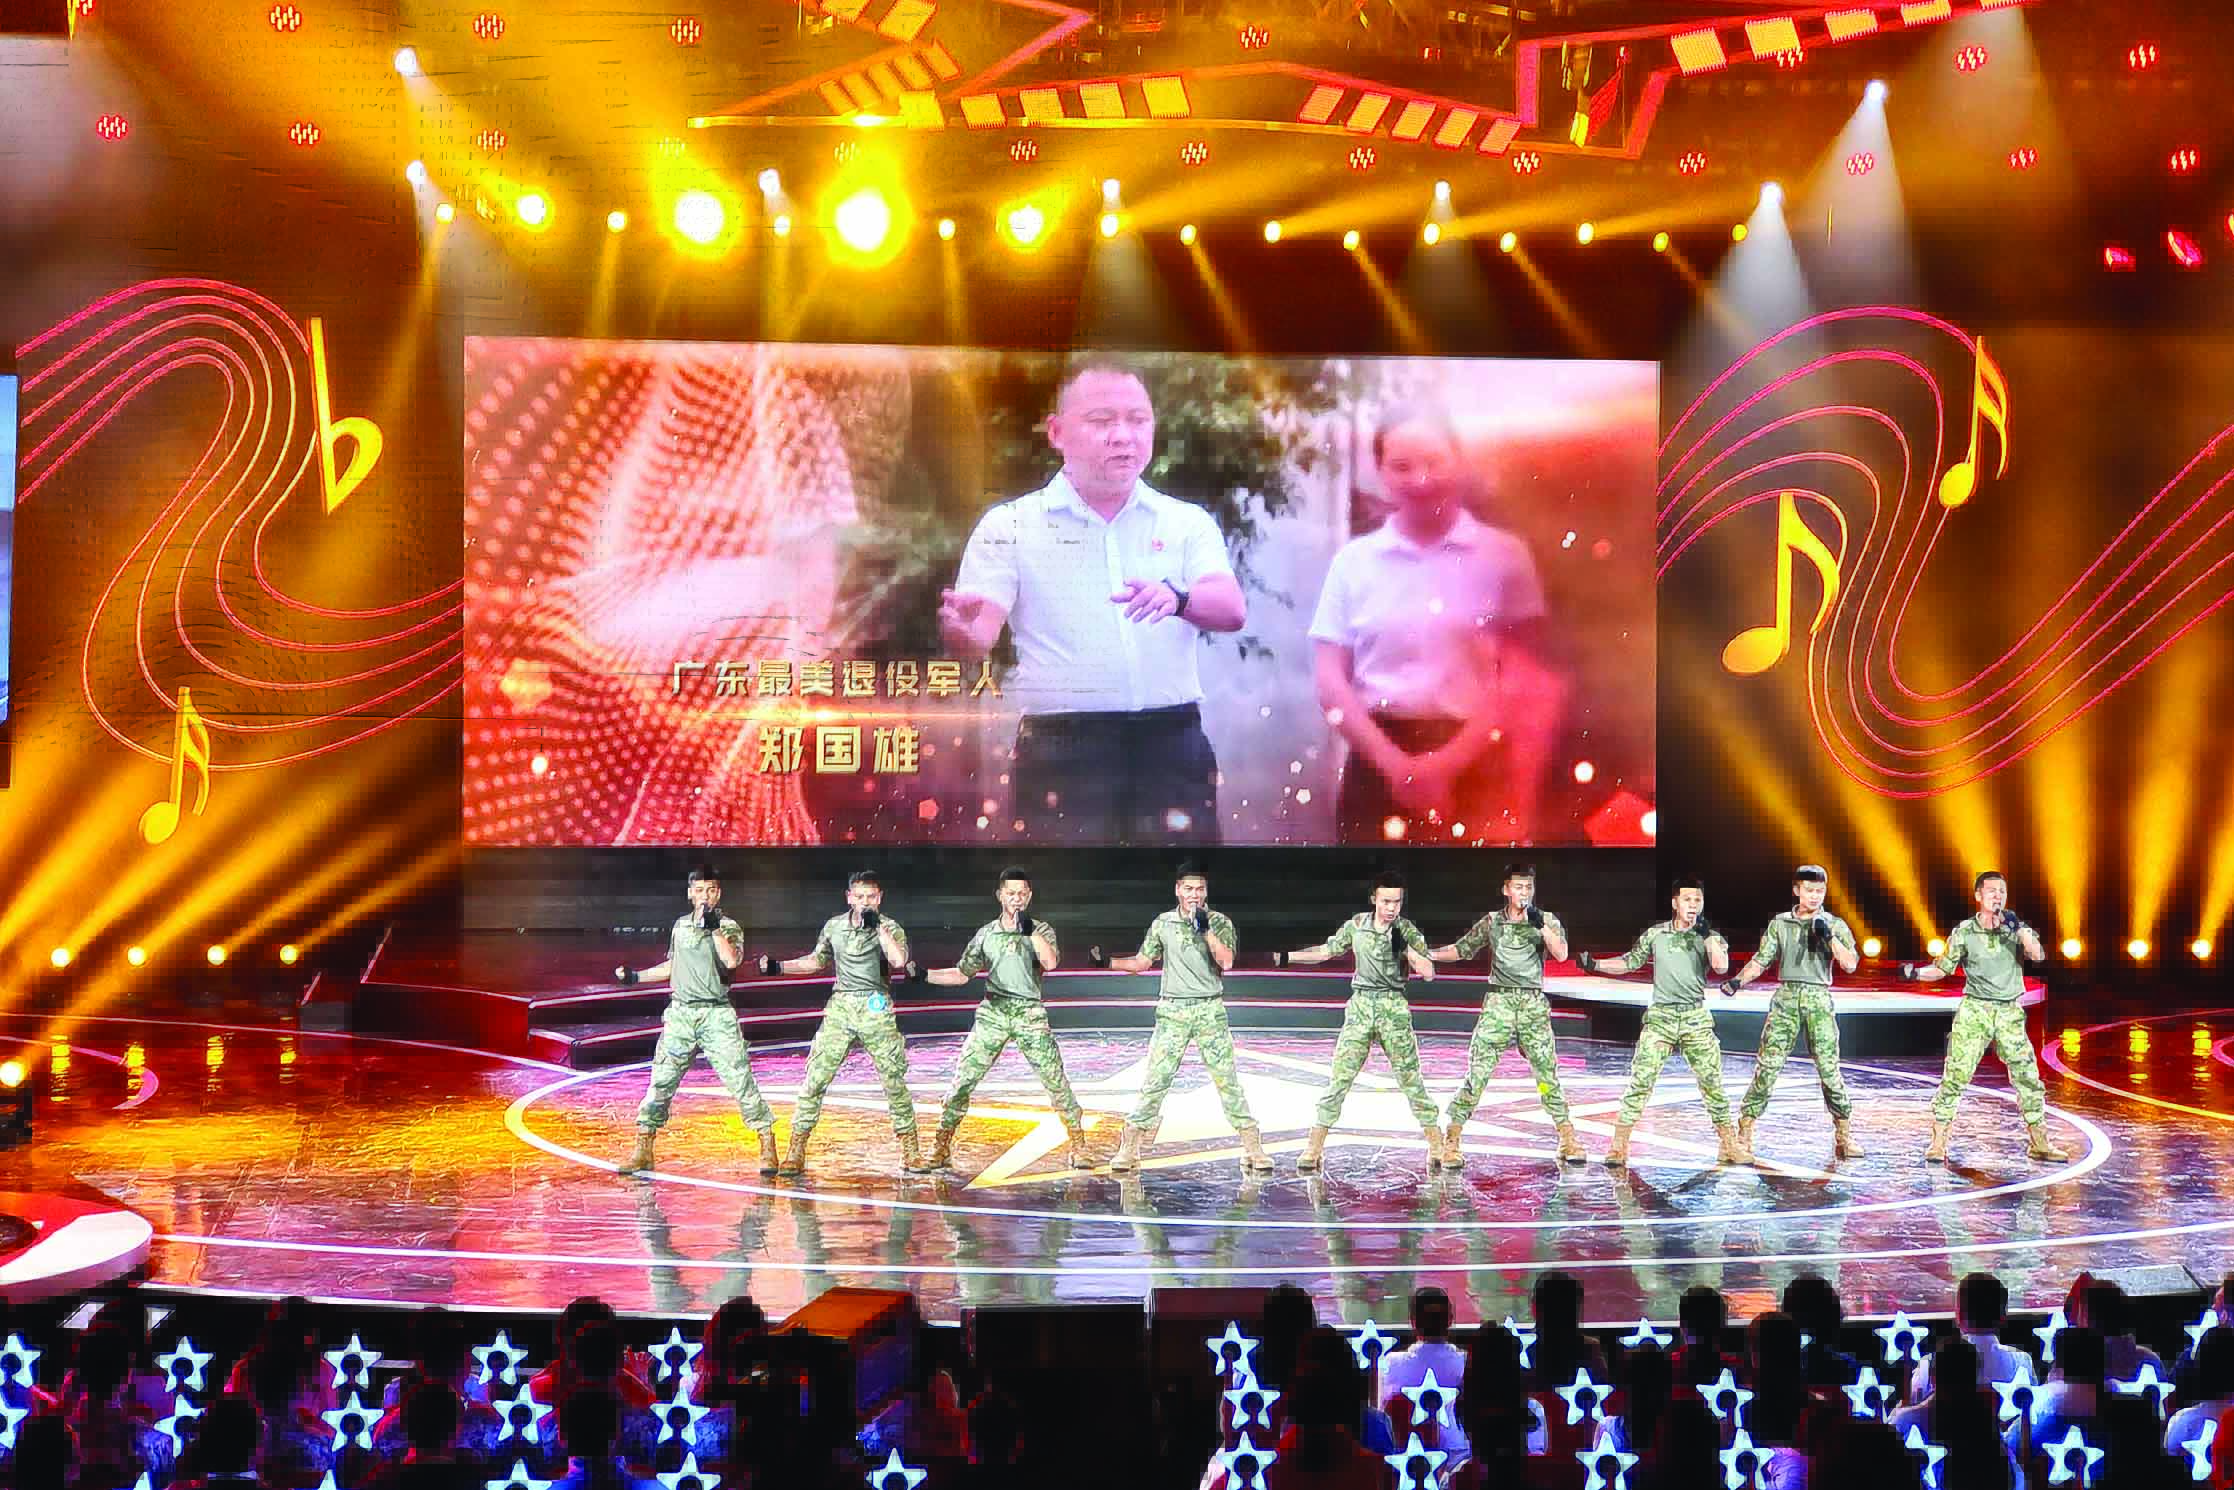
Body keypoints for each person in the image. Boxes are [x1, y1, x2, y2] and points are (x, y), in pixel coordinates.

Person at [940, 361, 1246, 845]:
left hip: (1171, 746)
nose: (1123, 435)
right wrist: (961, 632)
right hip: (1062, 751)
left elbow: (1230, 608)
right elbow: (978, 637)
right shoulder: (1011, 525)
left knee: (1182, 887)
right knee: (1070, 890)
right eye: (1102, 421)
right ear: (1056, 433)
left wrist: (1178, 598)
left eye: (1137, 420)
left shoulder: (1185, 522)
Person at [1308, 403, 1566, 845]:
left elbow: (1521, 676)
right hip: (1376, 764)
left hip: (1477, 764)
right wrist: (1395, 767)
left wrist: (1444, 766)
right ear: (1380, 471)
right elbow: (1330, 680)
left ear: (1459, 461)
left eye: (1434, 462)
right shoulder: (1353, 562)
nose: (1421, 480)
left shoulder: (1504, 556)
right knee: (1371, 888)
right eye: (1402, 466)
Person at [1091, 863, 1274, 1172]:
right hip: (1173, 1011)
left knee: (1227, 1081)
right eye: (1188, 889)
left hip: (1209, 1010)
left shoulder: (1219, 922)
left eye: (1200, 889)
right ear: (1177, 890)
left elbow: (1227, 962)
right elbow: (1142, 962)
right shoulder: (1163, 923)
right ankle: (1130, 1147)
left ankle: (1252, 1147)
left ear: (1206, 892)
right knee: (1156, 1080)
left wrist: (1206, 931)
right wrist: (1105, 963)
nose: (1194, 895)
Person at [1274, 870, 1447, 1171]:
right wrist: (1289, 957)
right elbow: (1325, 951)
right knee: (1340, 1077)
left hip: (1393, 1007)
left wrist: (1404, 947)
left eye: (1397, 902)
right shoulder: (1357, 925)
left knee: (1411, 1079)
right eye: (1386, 901)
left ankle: (1437, 1144)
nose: (1391, 908)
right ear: (1374, 899)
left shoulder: (1407, 930)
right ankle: (1314, 1146)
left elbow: (1429, 972)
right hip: (1361, 1006)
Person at [754, 870, 923, 1176]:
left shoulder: (889, 927)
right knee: (816, 1076)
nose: (865, 902)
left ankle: (910, 1150)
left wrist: (878, 927)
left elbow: (898, 961)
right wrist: (778, 967)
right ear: (849, 898)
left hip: (875, 1004)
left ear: (879, 898)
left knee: (893, 1079)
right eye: (859, 897)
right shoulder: (834, 927)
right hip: (842, 1005)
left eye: (871, 897)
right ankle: (796, 1148)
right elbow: (815, 961)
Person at [924, 867, 1090, 1171]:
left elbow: (1050, 962)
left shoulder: (1041, 930)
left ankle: (1079, 1144)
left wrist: (1029, 930)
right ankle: (941, 1144)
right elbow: (962, 973)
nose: (1016, 899)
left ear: (1029, 897)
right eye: (1011, 893)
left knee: (1055, 1080)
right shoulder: (987, 934)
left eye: (1022, 893)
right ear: (1000, 896)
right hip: (994, 1011)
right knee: (964, 1079)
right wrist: (924, 975)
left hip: (1029, 1012)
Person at [615, 866, 776, 1177]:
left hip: (716, 1015)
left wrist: (713, 929)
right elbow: (672, 966)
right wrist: (636, 977)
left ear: (718, 894)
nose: (705, 896)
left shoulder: (728, 927)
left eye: (711, 891)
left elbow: (731, 961)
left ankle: (766, 1142)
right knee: (661, 1080)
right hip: (681, 1014)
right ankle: (643, 1148)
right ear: (690, 894)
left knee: (740, 1080)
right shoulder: (680, 926)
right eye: (700, 891)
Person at [1576, 876, 1747, 1167]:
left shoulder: (1710, 936)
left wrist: (1706, 936)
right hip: (1661, 1018)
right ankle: (1619, 1145)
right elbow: (1630, 961)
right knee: (1641, 1080)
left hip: (1694, 1017)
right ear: (1675, 903)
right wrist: (1596, 965)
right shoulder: (1657, 935)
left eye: (1698, 900)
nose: (1693, 905)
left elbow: (1721, 967)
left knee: (1712, 1082)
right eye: (1687, 899)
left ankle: (1729, 1145)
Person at [1902, 871, 2067, 1163]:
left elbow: (2038, 955)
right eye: (1991, 891)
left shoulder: (2015, 928)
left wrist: (2018, 929)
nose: (1997, 896)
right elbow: (1942, 969)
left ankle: (2040, 1142)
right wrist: (1915, 973)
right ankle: (1938, 1141)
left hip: (2009, 1011)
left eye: (2002, 891)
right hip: (1975, 1010)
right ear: (1978, 896)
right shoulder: (1965, 931)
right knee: (1956, 1074)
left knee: (2027, 1076)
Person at [1429, 864, 1586, 1165]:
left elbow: (1561, 953)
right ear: (1506, 890)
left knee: (1546, 1075)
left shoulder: (1545, 920)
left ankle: (1567, 1138)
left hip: (1532, 1005)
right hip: (1499, 1003)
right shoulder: (1492, 922)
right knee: (1478, 1073)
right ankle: (1453, 1137)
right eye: (1518, 887)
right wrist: (1430, 954)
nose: (1524, 893)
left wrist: (1539, 925)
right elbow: (1462, 949)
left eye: (1528, 887)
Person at [1728, 864, 1864, 1159]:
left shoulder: (1834, 924)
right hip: (1787, 998)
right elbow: (1762, 959)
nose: (1814, 896)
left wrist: (1829, 937)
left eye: (1820, 891)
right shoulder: (1780, 923)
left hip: (1818, 998)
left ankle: (1844, 1135)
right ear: (1797, 890)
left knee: (1829, 1069)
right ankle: (1745, 1130)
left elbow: (1850, 964)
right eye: (1809, 890)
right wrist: (1738, 981)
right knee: (1768, 1065)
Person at [1378, 1288, 1470, 1463]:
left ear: (1413, 1321)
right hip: (1457, 1457)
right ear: (1450, 1320)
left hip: (1404, 1461)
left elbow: (1383, 1414)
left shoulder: (1390, 1363)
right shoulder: (1466, 1363)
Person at [1910, 1274, 2028, 1400]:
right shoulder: (2022, 1362)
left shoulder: (1929, 1365)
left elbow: (1911, 1407)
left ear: (1959, 1315)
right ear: (2003, 1317)